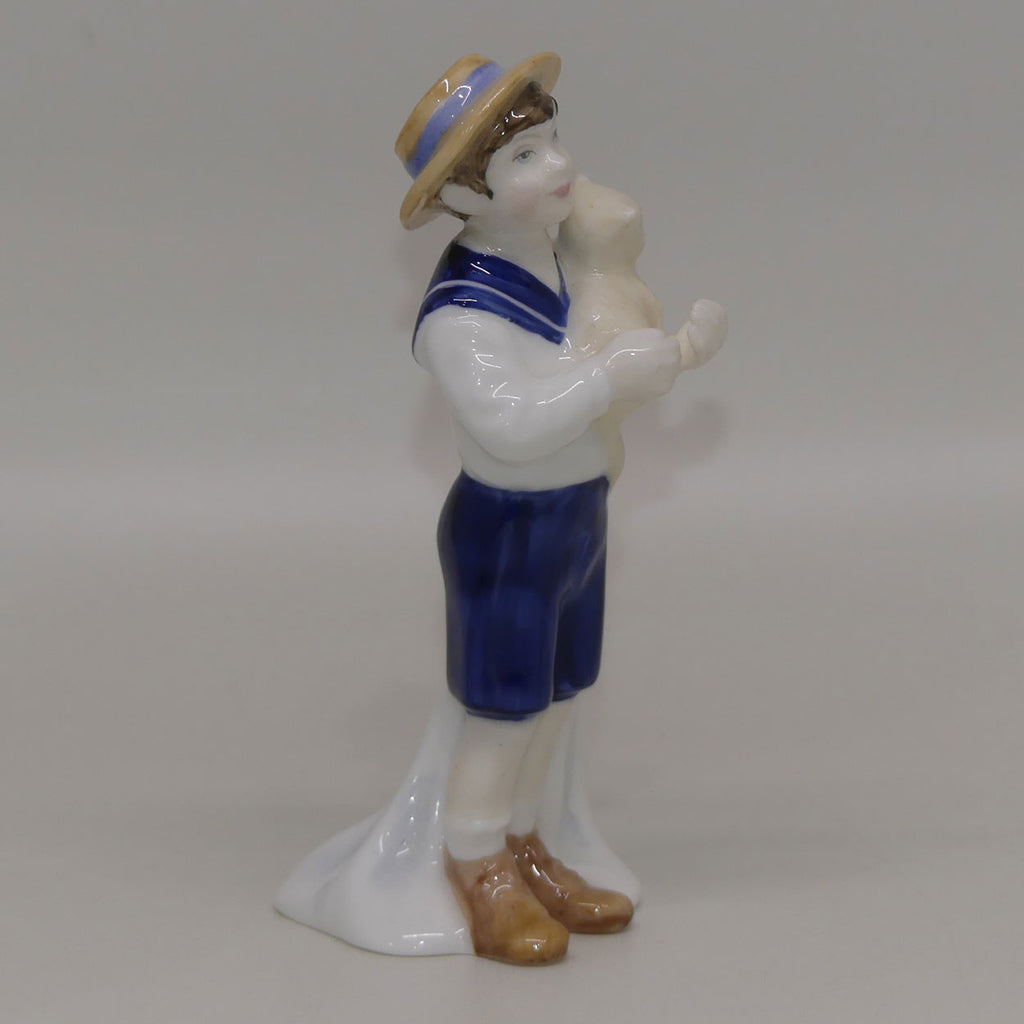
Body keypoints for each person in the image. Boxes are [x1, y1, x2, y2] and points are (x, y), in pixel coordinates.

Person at [397, 53, 724, 964]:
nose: (558, 167)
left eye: (552, 141)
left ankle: (526, 841)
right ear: (464, 196)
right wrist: (607, 377)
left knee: (557, 696)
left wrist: (661, 358)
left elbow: (603, 344)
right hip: (509, 527)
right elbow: (510, 424)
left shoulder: (554, 255)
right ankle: (476, 861)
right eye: (524, 158)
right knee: (504, 708)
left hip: (577, 513)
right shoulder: (461, 315)